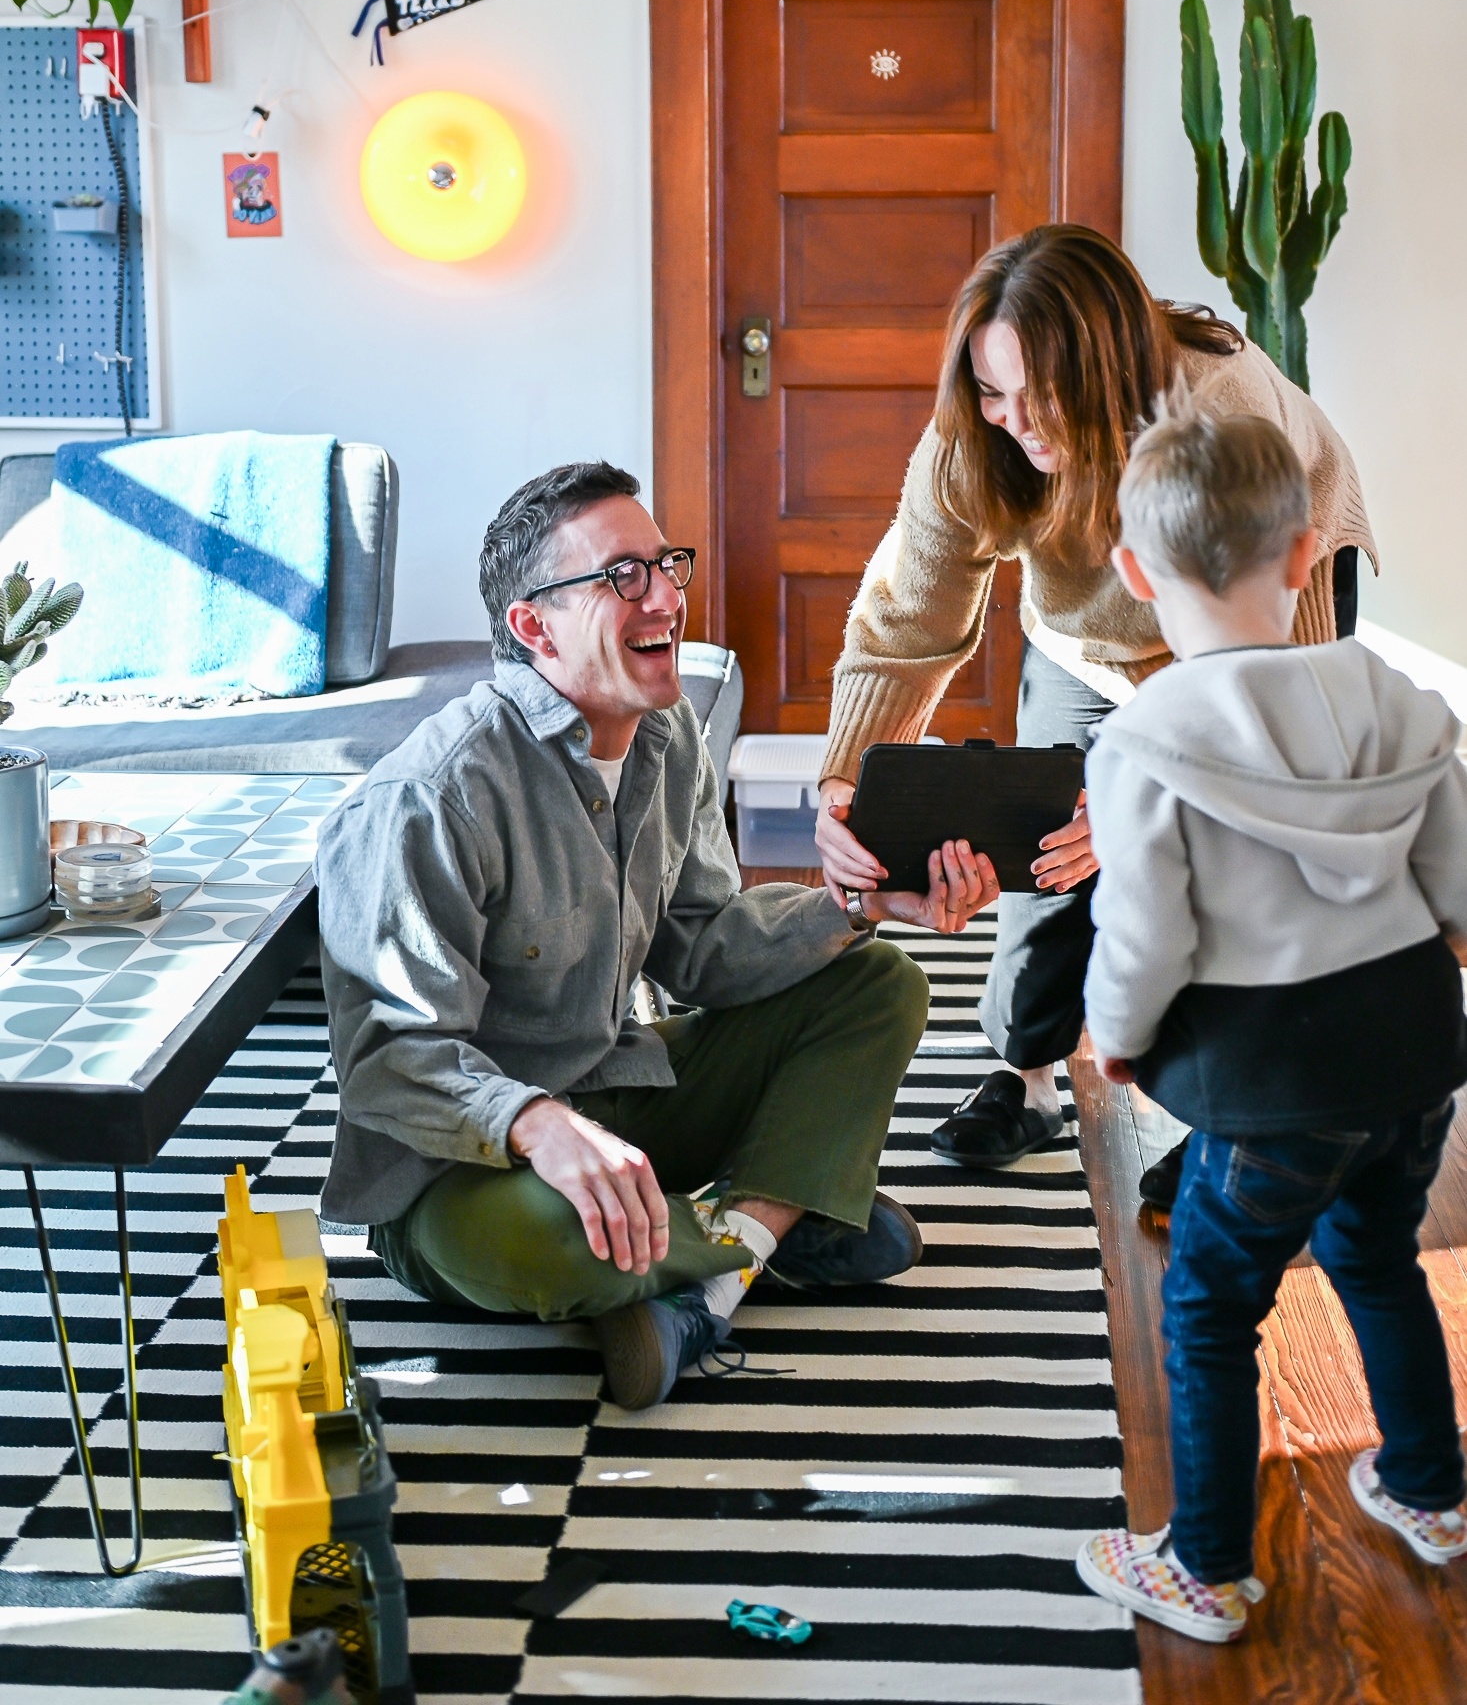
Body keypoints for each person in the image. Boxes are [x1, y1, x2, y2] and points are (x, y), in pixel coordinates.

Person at [316, 461, 998, 1412]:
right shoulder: (427, 801)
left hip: (612, 1094)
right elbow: (389, 1061)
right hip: (454, 1174)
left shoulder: (667, 733)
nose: (669, 595)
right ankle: (783, 1215)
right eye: (623, 575)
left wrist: (866, 905)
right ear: (533, 627)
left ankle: (715, 1272)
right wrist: (532, 1122)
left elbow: (703, 945)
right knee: (549, 1241)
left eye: (665, 564)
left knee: (875, 980)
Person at [815, 226, 1376, 1194]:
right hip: (1088, 626)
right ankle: (1027, 1077)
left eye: (1043, 395)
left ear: (1110, 366)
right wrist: (843, 781)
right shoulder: (974, 435)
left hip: (1256, 626)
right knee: (1049, 832)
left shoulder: (1223, 422)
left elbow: (1256, 695)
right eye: (995, 392)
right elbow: (907, 612)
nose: (1016, 421)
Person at [1074, 398, 1467, 1643]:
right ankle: (1432, 1492)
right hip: (1413, 1057)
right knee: (1378, 1257)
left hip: (1270, 1086)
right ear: (1307, 554)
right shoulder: (1402, 699)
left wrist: (1114, 1035)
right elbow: (1459, 889)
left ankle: (1205, 1566)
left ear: (1135, 573)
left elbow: (1146, 934)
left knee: (1209, 1303)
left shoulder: (1144, 738)